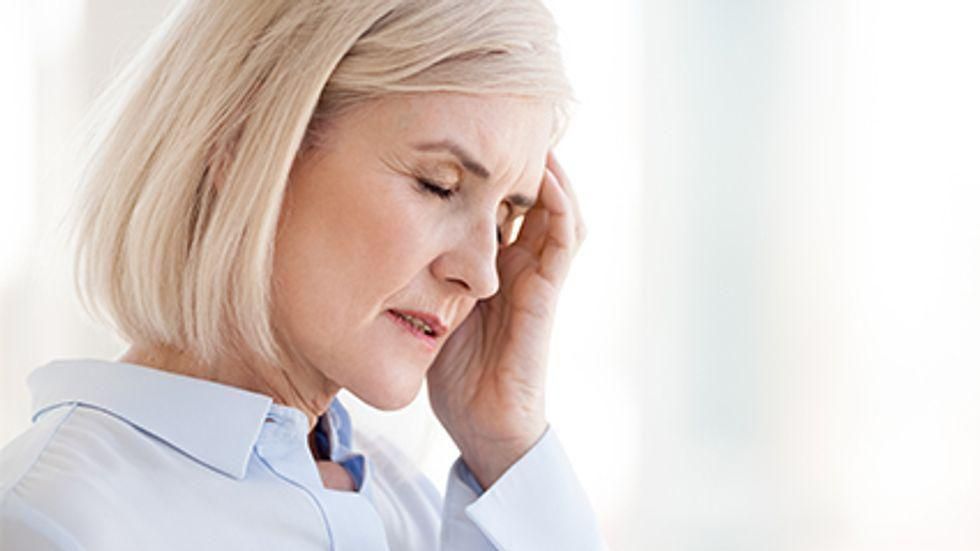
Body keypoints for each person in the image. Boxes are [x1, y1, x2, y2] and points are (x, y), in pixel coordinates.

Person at [0, 0, 604, 549]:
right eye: (438, 185)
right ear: (243, 140)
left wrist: (504, 436)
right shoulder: (55, 523)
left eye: (503, 221)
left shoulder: (409, 510)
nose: (484, 275)